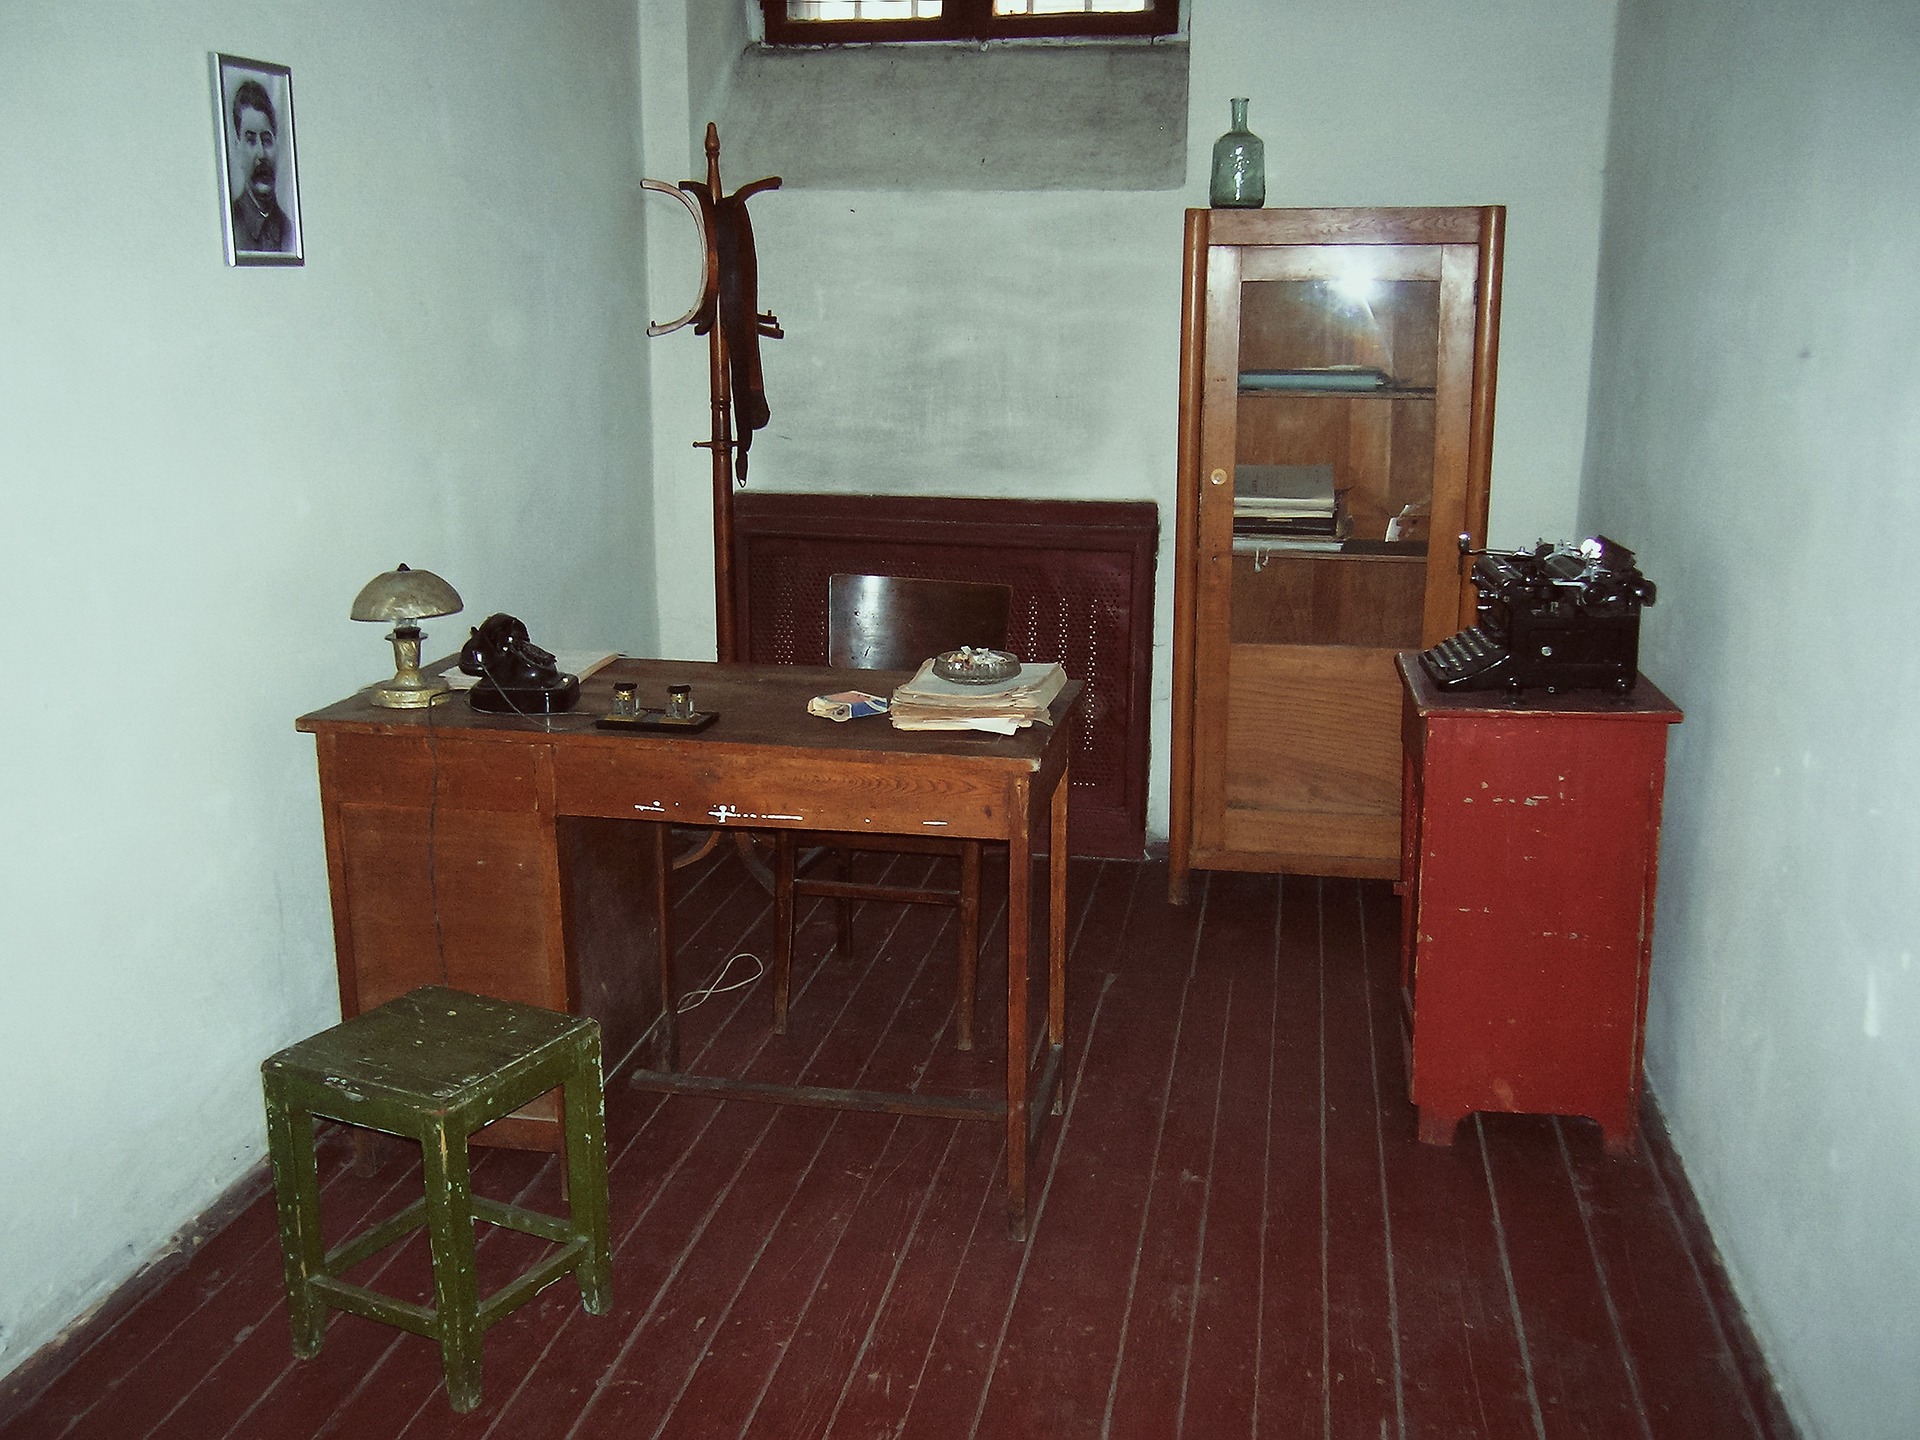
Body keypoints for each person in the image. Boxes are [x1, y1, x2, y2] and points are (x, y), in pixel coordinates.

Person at [229, 79, 291, 252]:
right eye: (250, 141)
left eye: (266, 140)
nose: (261, 154)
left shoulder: (289, 231)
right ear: (238, 148)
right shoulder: (232, 225)